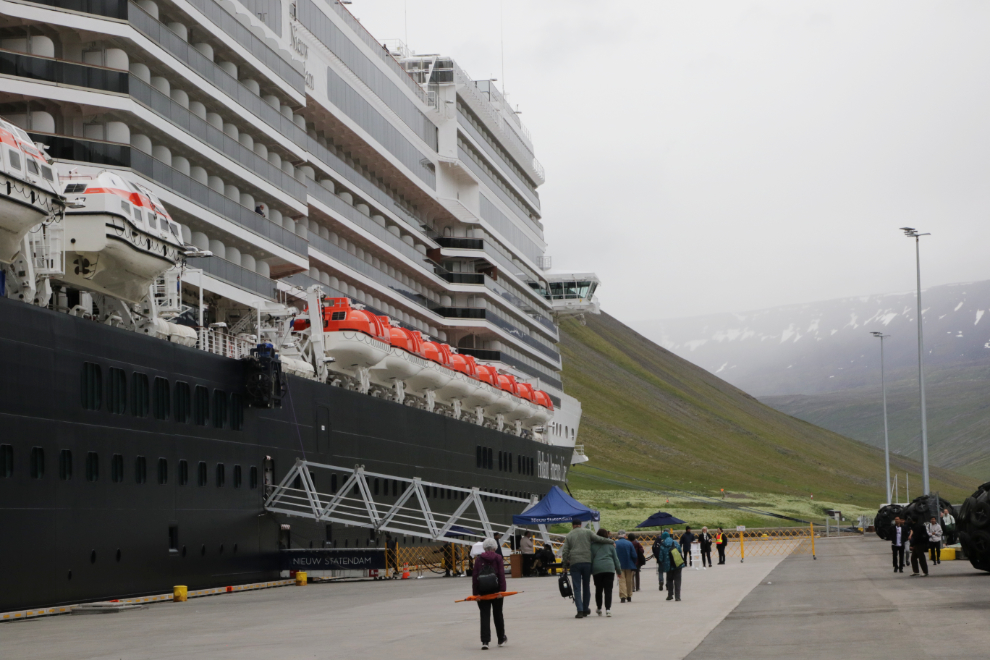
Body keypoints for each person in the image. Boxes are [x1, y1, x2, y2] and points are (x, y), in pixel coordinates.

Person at [560, 519, 615, 618]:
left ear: (572, 525)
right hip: (587, 562)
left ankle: (580, 610)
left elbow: (565, 552)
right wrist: (611, 541)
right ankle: (585, 609)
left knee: (577, 588)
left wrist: (564, 566)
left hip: (575, 563)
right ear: (580, 525)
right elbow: (600, 539)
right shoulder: (588, 532)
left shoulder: (569, 535)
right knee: (586, 586)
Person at [472, 538, 507, 650]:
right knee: (498, 614)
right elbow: (501, 575)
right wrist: (502, 591)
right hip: (496, 590)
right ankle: (501, 638)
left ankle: (485, 641)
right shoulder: (498, 558)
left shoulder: (478, 559)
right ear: (495, 547)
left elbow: (475, 577)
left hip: (482, 591)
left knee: (485, 615)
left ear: (484, 547)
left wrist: (476, 593)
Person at [591, 528, 621, 617]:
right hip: (609, 568)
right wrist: (619, 571)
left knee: (598, 589)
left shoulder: (592, 546)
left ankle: (599, 608)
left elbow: (591, 559)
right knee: (608, 590)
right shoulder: (611, 545)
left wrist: (591, 570)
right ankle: (608, 609)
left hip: (597, 568)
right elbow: (616, 559)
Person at [655, 531, 684, 601]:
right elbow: (680, 551)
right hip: (677, 564)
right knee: (677, 580)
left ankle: (670, 595)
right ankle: (677, 596)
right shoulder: (675, 542)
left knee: (670, 580)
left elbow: (661, 558)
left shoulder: (662, 545)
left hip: (668, 566)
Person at [614, 531, 638, 604]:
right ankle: (629, 596)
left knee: (621, 581)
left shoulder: (615, 543)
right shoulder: (629, 543)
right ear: (625, 536)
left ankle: (623, 596)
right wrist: (633, 563)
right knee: (629, 581)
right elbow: (634, 555)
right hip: (629, 565)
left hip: (619, 565)